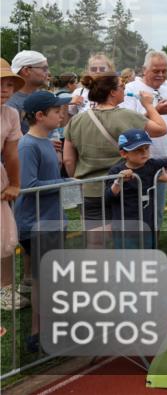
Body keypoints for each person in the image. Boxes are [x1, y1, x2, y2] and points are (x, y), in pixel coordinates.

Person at [63, 73, 166, 240]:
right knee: (125, 240)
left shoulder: (76, 120)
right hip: (122, 189)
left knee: (95, 242)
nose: (124, 90)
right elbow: (161, 129)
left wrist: (80, 178)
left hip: (89, 190)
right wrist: (148, 105)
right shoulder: (127, 115)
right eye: (122, 87)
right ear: (112, 92)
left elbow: (68, 160)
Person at [13, 91, 73, 353]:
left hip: (50, 220)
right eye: (56, 111)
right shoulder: (28, 146)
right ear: (40, 115)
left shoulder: (46, 142)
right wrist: (66, 182)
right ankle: (38, 334)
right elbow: (29, 185)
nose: (62, 115)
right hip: (36, 223)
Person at [121, 51, 167, 228]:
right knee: (136, 213)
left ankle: (153, 247)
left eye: (164, 70)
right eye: (156, 70)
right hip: (137, 164)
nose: (161, 75)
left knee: (157, 213)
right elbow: (128, 126)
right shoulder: (131, 90)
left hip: (160, 163)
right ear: (144, 69)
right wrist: (155, 111)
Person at [105, 129, 167, 248]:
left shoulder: (152, 164)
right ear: (124, 153)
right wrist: (118, 182)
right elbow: (108, 197)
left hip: (147, 224)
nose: (144, 152)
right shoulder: (116, 171)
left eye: (146, 148)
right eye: (138, 150)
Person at [0, 59, 25, 312]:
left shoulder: (10, 114)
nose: (4, 89)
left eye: (9, 84)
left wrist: (15, 184)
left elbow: (12, 154)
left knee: (4, 238)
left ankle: (5, 290)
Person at [8, 51, 53, 134]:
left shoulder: (45, 96)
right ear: (26, 71)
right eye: (44, 69)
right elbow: (10, 141)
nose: (48, 72)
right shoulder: (8, 101)